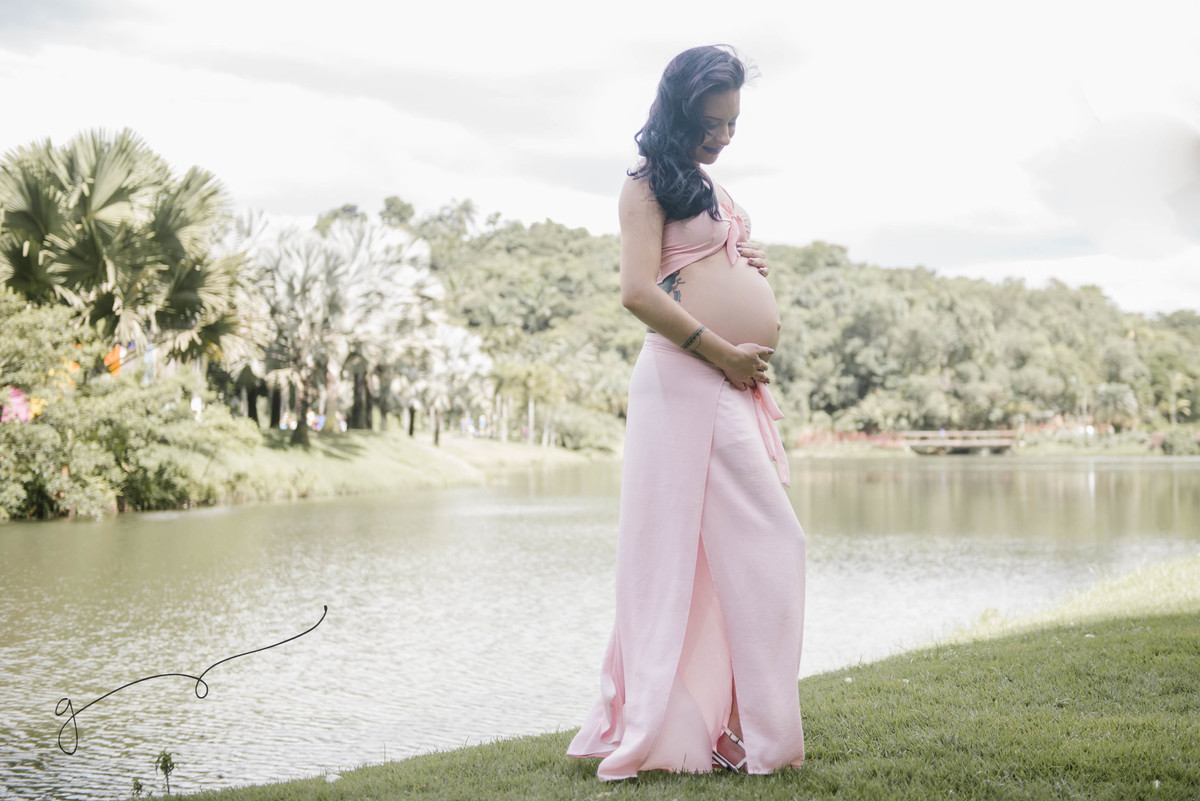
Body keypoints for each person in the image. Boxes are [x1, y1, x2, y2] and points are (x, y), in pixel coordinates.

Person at [568, 45, 807, 779]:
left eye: (732, 123)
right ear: (678, 112)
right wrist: (722, 350)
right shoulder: (644, 185)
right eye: (711, 124)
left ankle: (731, 730)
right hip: (684, 381)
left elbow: (702, 266)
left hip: (726, 384)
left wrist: (746, 263)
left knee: (736, 556)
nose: (723, 136)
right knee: (715, 552)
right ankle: (735, 735)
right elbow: (638, 291)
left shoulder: (710, 188)